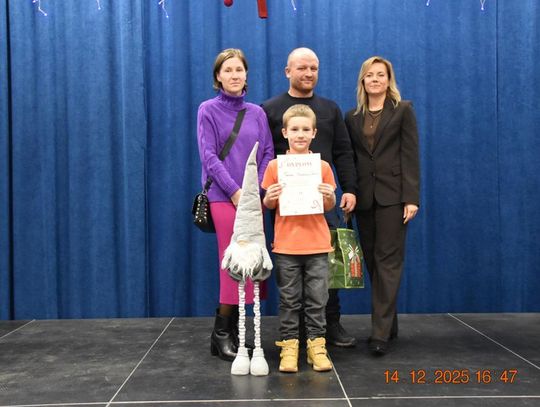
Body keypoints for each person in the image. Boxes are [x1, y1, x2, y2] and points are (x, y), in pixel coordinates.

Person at [262, 48, 357, 348]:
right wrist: (267, 194)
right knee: (290, 271)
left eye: (313, 68)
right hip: (285, 207)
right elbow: (264, 155)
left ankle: (331, 323)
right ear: (287, 71)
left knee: (326, 267)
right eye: (302, 68)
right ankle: (294, 331)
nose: (308, 73)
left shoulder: (330, 108)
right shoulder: (269, 109)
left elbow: (343, 151)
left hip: (322, 202)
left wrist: (349, 189)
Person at [197, 48, 274, 362]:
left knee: (253, 262)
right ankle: (221, 333)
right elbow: (209, 157)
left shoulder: (257, 113)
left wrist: (254, 191)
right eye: (227, 70)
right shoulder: (207, 110)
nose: (234, 75)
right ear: (218, 76)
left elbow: (267, 152)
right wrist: (235, 192)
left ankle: (237, 331)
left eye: (238, 69)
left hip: (253, 200)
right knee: (233, 263)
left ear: (246, 74)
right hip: (224, 198)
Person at [344, 56, 420, 355]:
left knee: (388, 263)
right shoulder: (352, 117)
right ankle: (389, 324)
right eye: (369, 75)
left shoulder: (403, 110)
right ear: (362, 81)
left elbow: (410, 155)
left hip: (393, 198)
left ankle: (379, 334)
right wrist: (350, 192)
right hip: (364, 199)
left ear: (389, 80)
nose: (375, 79)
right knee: (374, 264)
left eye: (380, 75)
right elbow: (351, 159)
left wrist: (411, 197)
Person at [262, 104, 335, 373]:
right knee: (289, 300)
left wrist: (330, 197)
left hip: (317, 245)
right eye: (295, 129)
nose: (300, 134)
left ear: (314, 133)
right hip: (286, 246)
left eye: (306, 129)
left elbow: (328, 206)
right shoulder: (274, 167)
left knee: (318, 300)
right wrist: (269, 198)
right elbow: (268, 204)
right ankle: (290, 347)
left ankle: (316, 347)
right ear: (285, 133)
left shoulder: (323, 167)